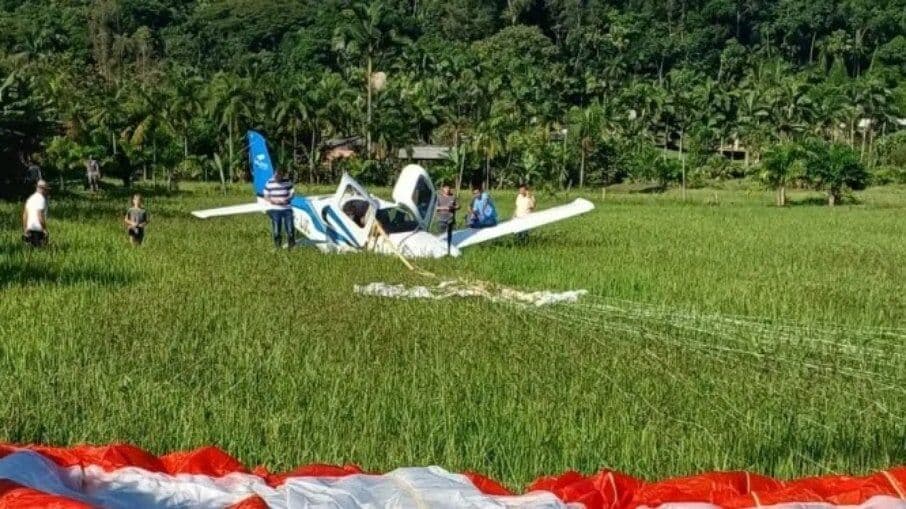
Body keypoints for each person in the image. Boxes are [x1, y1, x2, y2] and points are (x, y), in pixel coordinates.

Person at [264, 169, 295, 249]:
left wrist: (287, 199)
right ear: (274, 174)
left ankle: (291, 247)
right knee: (276, 231)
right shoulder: (269, 183)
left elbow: (292, 193)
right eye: (276, 176)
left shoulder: (287, 181)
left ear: (282, 175)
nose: (278, 178)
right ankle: (278, 247)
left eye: (280, 177)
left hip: (287, 209)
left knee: (290, 230)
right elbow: (266, 196)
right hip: (275, 209)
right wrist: (273, 201)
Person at [22, 180, 50, 247]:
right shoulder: (41, 199)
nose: (47, 192)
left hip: (29, 229)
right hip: (38, 230)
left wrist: (25, 228)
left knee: (30, 252)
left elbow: (25, 215)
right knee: (40, 251)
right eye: (46, 189)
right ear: (42, 189)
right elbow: (39, 215)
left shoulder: (30, 199)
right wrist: (44, 229)